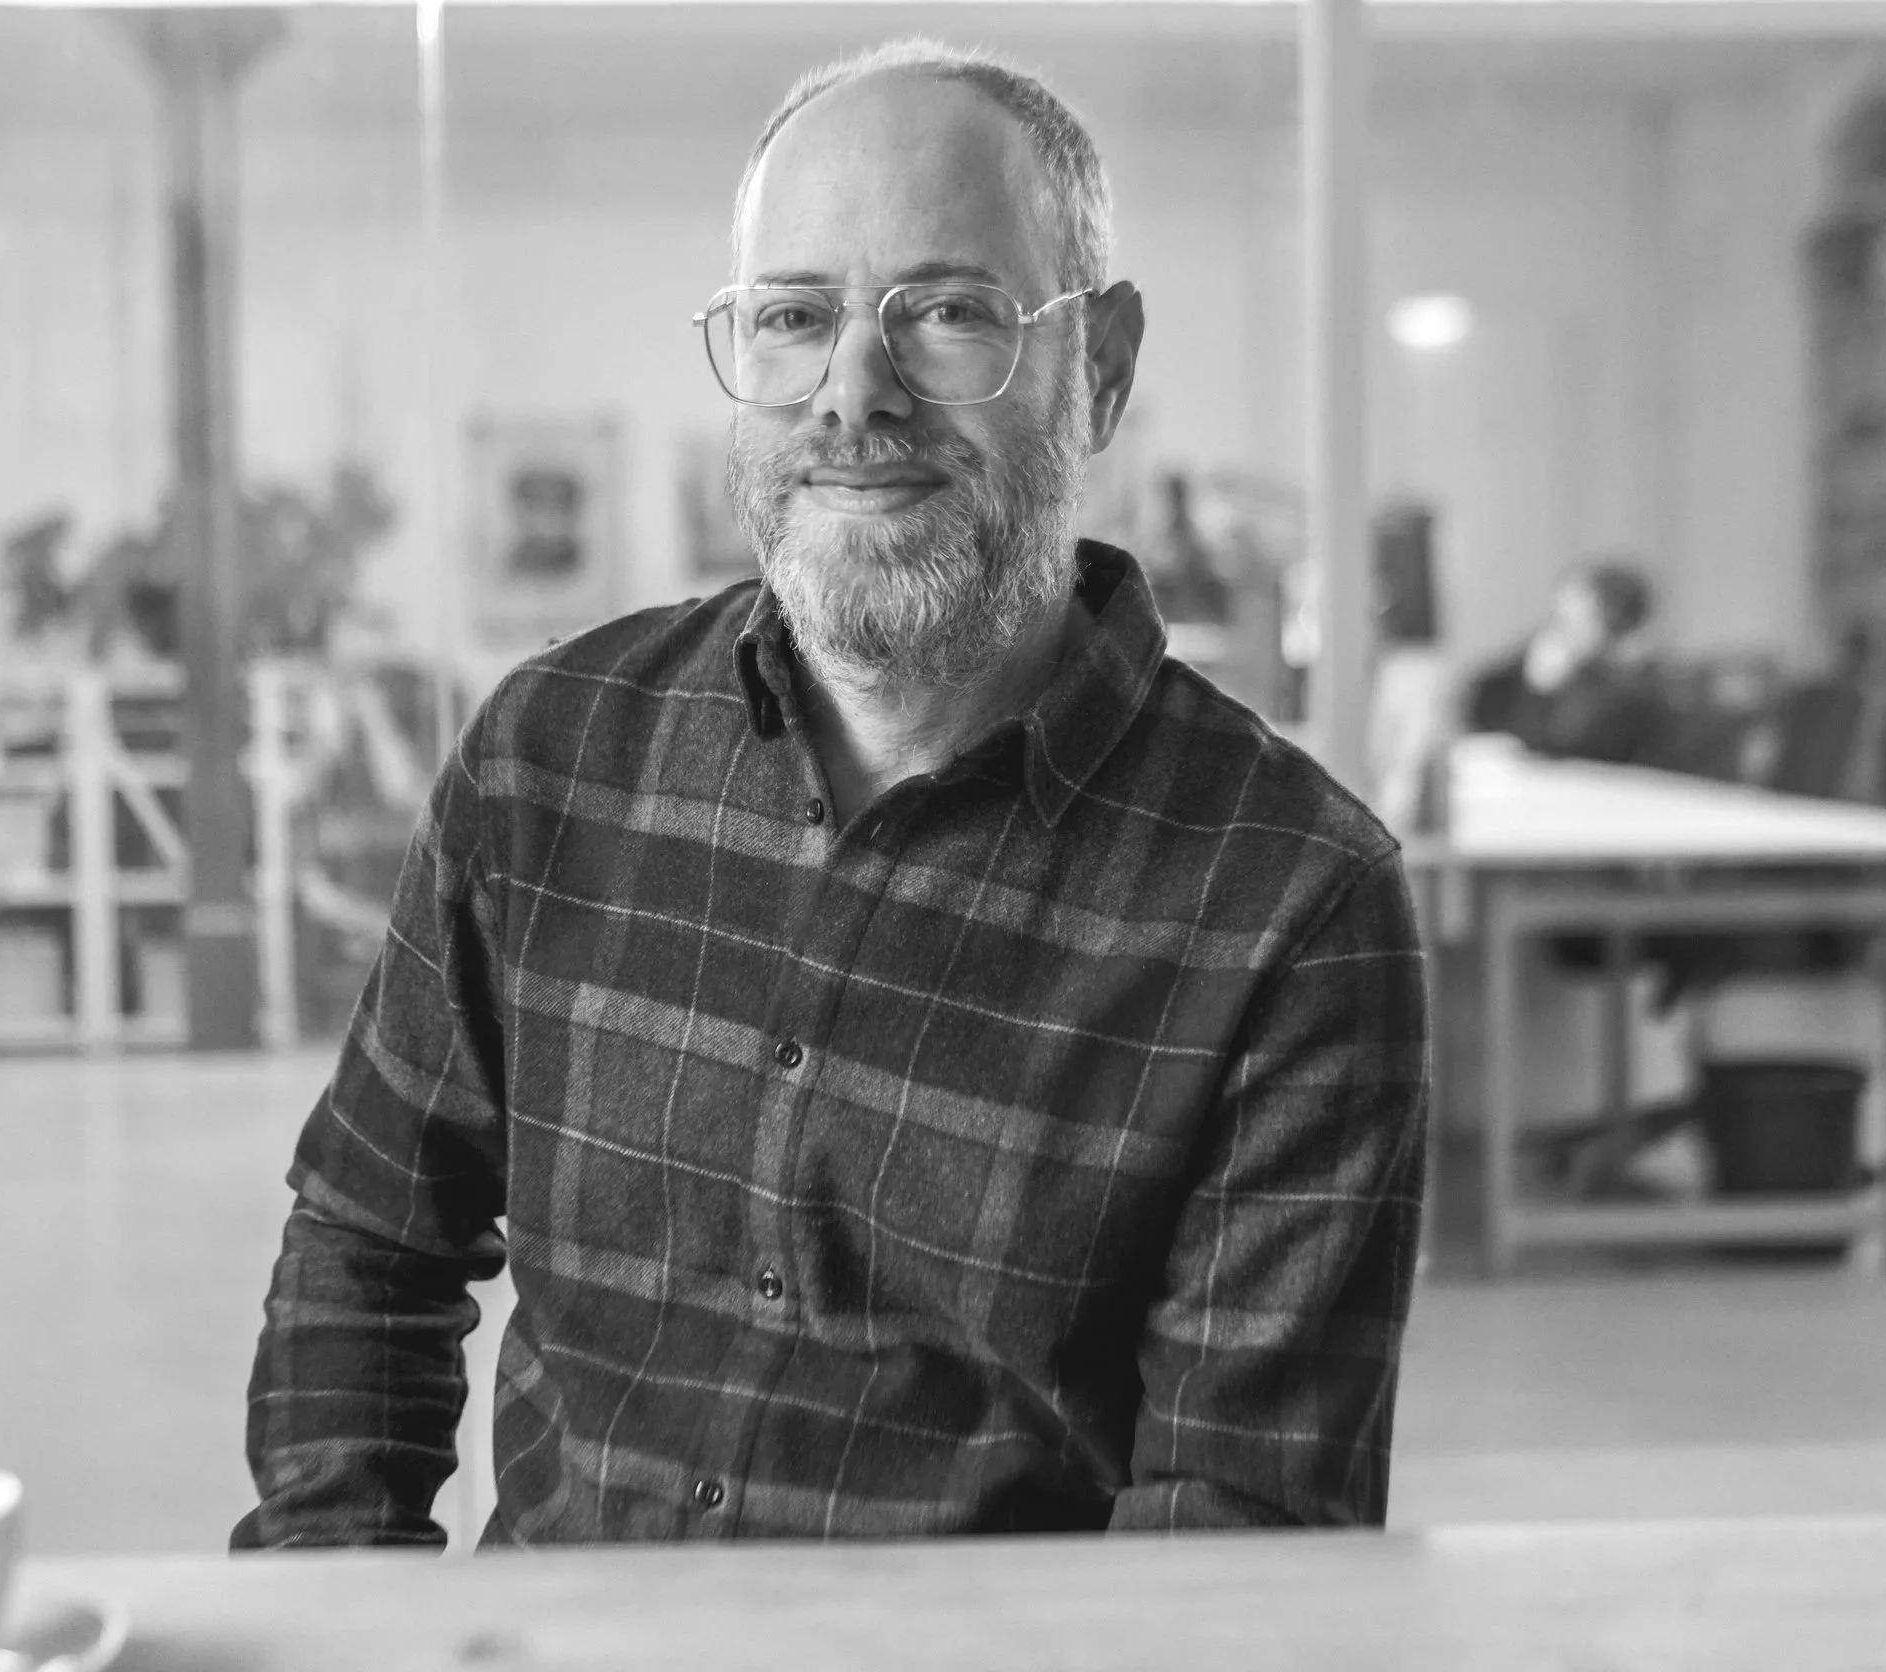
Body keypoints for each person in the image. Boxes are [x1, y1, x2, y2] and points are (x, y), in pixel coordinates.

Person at [233, 38, 1429, 1549]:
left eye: (945, 314)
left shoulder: (1294, 907)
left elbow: (1232, 1544)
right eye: (794, 317)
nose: (852, 395)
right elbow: (367, 1239)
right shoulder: (552, 754)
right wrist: (349, 1613)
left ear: (1103, 367)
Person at [1465, 558, 1664, 766]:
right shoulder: (1539, 655)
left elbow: (1561, 746)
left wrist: (1542, 689)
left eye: (1567, 622)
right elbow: (1479, 702)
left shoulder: (1624, 687)